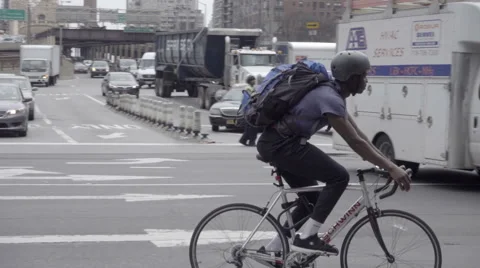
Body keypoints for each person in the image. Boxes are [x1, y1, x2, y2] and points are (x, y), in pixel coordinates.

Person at [256, 51, 412, 254]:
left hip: (281, 143)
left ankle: (272, 250)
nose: (366, 81)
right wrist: (390, 168)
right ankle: (308, 238)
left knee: (311, 200)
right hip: (281, 145)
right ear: (351, 77)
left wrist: (389, 165)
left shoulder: (333, 94)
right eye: (363, 76)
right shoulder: (329, 97)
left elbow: (360, 136)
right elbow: (354, 142)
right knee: (339, 177)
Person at [239, 75, 259, 146]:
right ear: (250, 81)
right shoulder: (248, 89)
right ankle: (251, 142)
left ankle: (243, 140)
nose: (254, 81)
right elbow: (249, 100)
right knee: (253, 127)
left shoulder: (251, 88)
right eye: (253, 80)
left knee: (249, 127)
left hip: (250, 111)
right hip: (250, 111)